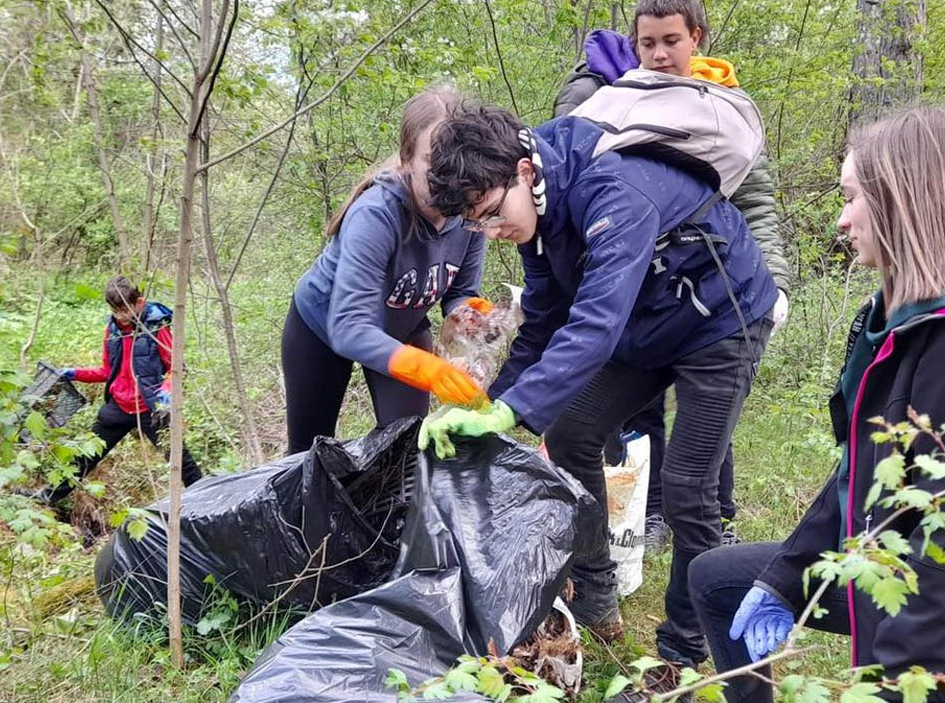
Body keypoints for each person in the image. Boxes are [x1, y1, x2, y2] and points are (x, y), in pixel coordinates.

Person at [688, 106, 945, 702]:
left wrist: (894, 678)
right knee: (719, 580)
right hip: (889, 555)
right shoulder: (901, 316)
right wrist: (787, 577)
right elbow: (863, 471)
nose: (843, 220)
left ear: (904, 199)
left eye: (852, 198)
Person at [418, 102, 779, 679]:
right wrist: (484, 406)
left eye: (490, 213)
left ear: (524, 171)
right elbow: (541, 322)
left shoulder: (614, 189)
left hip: (720, 319)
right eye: (477, 225)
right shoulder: (537, 215)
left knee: (688, 488)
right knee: (571, 434)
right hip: (647, 323)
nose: (491, 232)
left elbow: (594, 323)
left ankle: (684, 655)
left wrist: (513, 410)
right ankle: (595, 592)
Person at [555, 0, 794, 553]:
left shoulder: (722, 107)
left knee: (707, 422)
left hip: (717, 280)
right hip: (644, 290)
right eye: (648, 44)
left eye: (670, 42)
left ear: (696, 39)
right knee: (636, 411)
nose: (659, 54)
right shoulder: (621, 100)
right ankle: (655, 515)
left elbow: (756, 203)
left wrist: (776, 281)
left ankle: (715, 520)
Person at [283, 85, 490, 455]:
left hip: (401, 325)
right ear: (407, 159)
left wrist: (469, 319)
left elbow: (461, 289)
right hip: (322, 326)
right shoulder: (376, 214)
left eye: (457, 160)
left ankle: (389, 514)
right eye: (433, 160)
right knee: (308, 452)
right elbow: (348, 328)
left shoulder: (469, 213)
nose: (448, 176)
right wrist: (427, 369)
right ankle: (306, 514)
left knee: (407, 445)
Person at [31, 275, 203, 505]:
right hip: (119, 407)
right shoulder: (111, 331)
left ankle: (205, 502)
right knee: (85, 456)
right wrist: (74, 372)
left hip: (152, 409)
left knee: (181, 461)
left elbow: (176, 367)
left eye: (124, 310)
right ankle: (47, 498)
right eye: (115, 310)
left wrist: (166, 393)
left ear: (139, 303)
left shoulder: (156, 327)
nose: (120, 316)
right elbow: (106, 371)